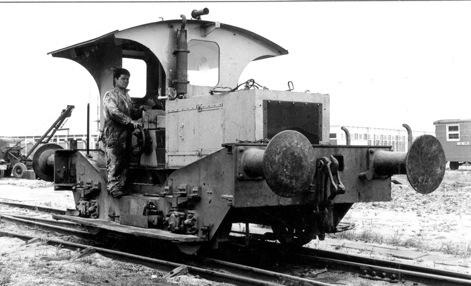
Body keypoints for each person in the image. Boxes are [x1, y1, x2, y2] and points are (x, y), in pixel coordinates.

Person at [102, 68, 142, 198]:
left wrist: (141, 111)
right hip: (113, 134)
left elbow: (131, 112)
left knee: (125, 162)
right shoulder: (110, 95)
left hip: (126, 134)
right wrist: (129, 121)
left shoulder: (127, 96)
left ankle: (121, 187)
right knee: (115, 160)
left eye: (127, 79)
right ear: (116, 79)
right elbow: (114, 112)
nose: (126, 81)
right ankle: (113, 188)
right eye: (123, 79)